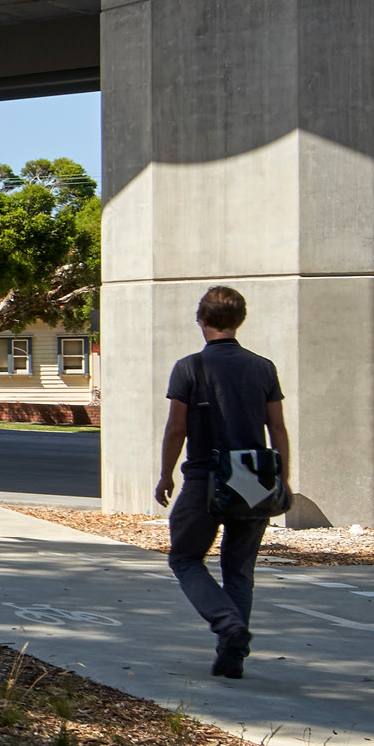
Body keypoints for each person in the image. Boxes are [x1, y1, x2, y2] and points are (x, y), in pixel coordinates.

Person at [156, 284, 289, 679]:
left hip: (203, 477)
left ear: (201, 320)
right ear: (239, 320)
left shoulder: (189, 368)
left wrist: (165, 474)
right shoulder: (263, 368)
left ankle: (228, 626)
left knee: (184, 557)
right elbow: (277, 428)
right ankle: (232, 655)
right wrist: (283, 479)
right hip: (254, 479)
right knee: (239, 568)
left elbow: (176, 428)